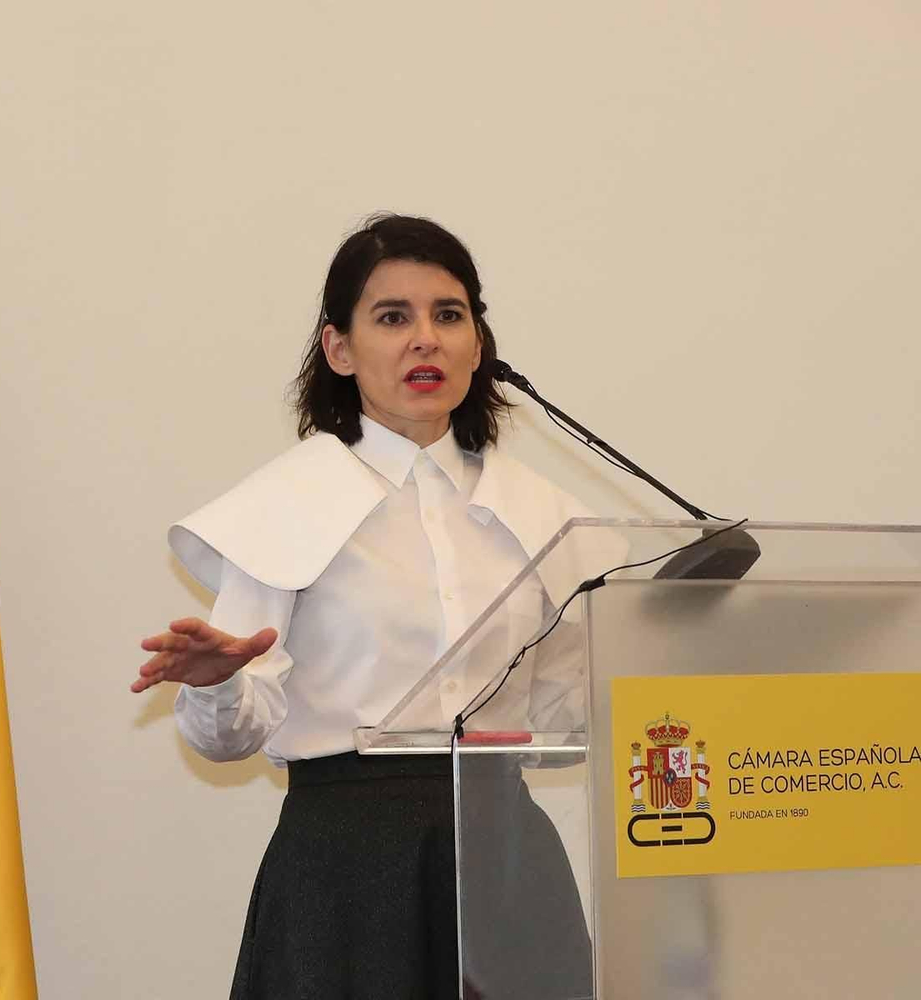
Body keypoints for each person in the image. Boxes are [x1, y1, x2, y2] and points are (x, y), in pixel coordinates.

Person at [131, 215, 594, 999]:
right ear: (338, 348)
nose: (427, 340)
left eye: (450, 316)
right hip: (346, 867)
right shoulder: (289, 505)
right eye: (393, 317)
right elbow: (230, 739)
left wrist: (668, 658)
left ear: (478, 345)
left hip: (508, 858)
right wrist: (214, 682)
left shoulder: (544, 515)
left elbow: (567, 725)